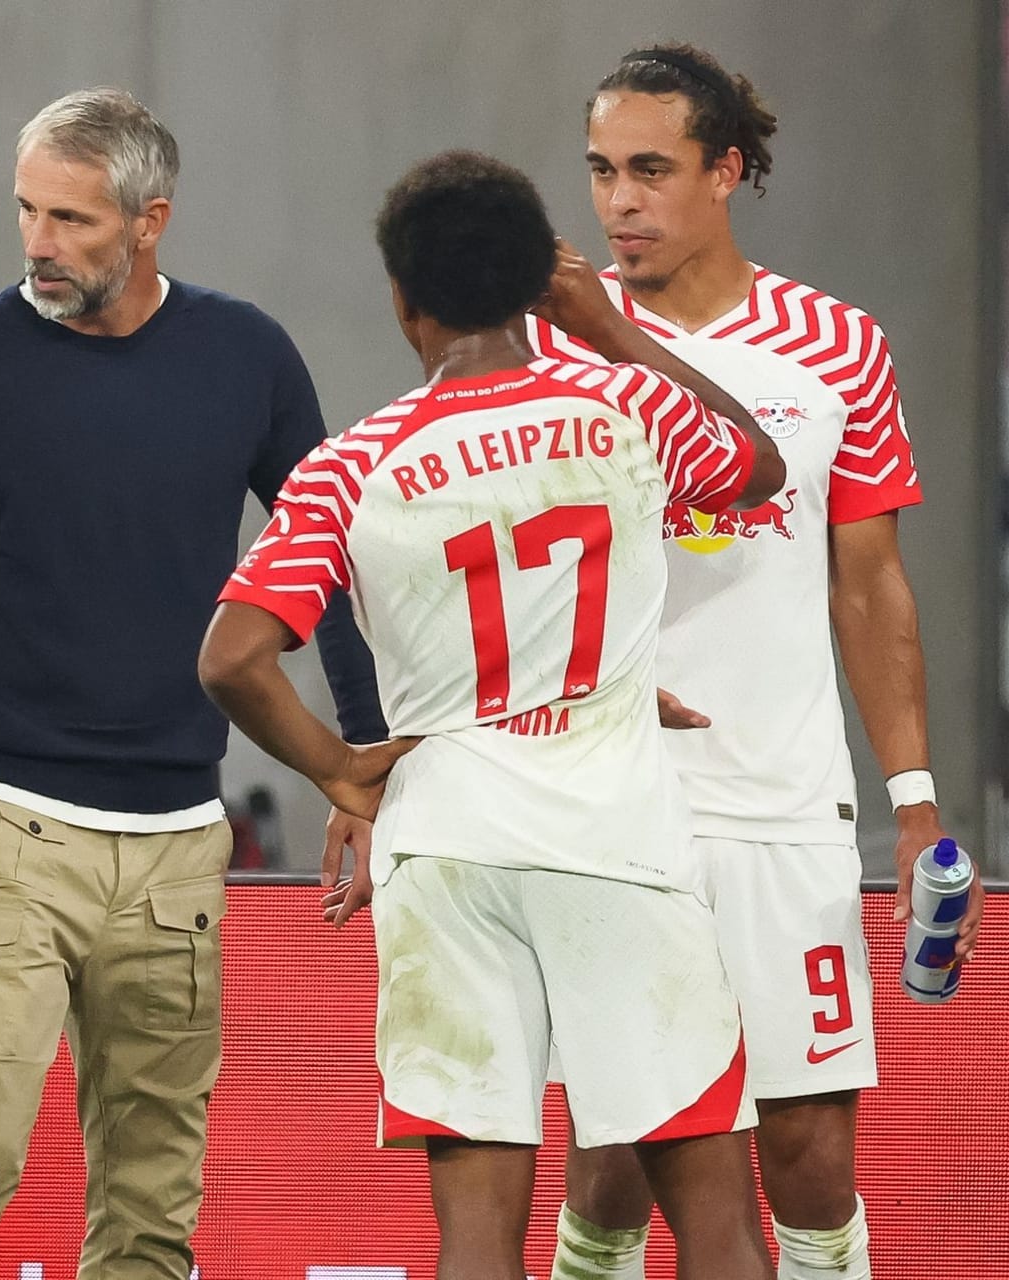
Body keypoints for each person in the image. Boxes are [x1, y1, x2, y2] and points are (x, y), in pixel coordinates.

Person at [200, 151, 788, 1280]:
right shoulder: (625, 406)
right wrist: (609, 328)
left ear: (401, 300)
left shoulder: (348, 465)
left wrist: (343, 770)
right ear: (537, 286)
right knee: (715, 1218)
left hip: (448, 842)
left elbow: (232, 659)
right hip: (616, 837)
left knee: (476, 1232)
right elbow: (757, 467)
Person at [0, 86, 384, 1280]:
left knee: (151, 1204)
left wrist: (356, 765)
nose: (38, 242)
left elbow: (332, 564)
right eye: (28, 211)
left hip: (179, 844)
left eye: (73, 221)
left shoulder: (246, 353)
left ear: (150, 222)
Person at [530, 45, 978, 1280]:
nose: (620, 201)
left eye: (653, 170)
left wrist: (916, 796)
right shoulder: (537, 343)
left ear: (726, 171)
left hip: (786, 805)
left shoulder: (836, 345)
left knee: (810, 1161)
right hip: (613, 808)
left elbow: (868, 582)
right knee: (615, 1157)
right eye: (603, 171)